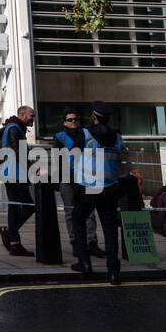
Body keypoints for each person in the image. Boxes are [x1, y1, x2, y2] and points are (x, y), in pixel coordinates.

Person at [71, 101, 125, 284]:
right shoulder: (117, 136)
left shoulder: (85, 134)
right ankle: (113, 272)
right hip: (110, 188)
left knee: (78, 220)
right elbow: (120, 158)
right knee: (110, 230)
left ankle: (84, 263)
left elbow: (72, 157)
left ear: (94, 117)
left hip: (89, 187)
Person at [53, 107, 99, 259]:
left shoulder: (87, 133)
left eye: (75, 119)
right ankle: (76, 243)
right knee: (70, 212)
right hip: (67, 179)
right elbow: (58, 159)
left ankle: (92, 243)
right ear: (64, 122)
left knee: (90, 213)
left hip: (86, 177)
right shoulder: (59, 136)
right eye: (70, 120)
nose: (73, 122)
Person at [0, 104, 36, 257]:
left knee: (16, 207)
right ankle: (11, 236)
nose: (33, 118)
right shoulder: (14, 129)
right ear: (22, 114)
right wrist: (33, 168)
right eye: (31, 115)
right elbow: (17, 153)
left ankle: (13, 241)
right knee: (28, 207)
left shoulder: (16, 128)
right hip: (14, 175)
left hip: (14, 174)